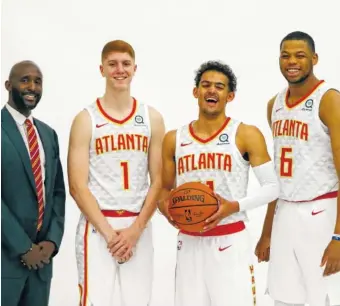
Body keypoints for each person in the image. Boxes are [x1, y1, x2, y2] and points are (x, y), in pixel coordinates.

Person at [157, 60, 279, 306]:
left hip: (230, 239)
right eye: (206, 85)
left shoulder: (245, 134)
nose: (212, 90)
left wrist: (233, 206)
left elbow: (273, 188)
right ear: (196, 92)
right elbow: (163, 189)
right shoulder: (174, 138)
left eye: (220, 87)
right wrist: (168, 210)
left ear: (230, 95)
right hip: (189, 240)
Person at [68, 40, 165, 306]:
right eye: (112, 64)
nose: (119, 70)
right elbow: (77, 186)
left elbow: (158, 181)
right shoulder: (86, 119)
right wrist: (111, 235)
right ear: (102, 69)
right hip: (98, 229)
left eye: (125, 64)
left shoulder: (151, 117)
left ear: (135, 68)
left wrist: (135, 230)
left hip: (138, 227)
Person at [255, 31, 340, 306]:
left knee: (322, 297)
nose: (292, 61)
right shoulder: (274, 105)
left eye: (300, 55)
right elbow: (279, 174)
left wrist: (339, 235)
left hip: (321, 210)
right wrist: (267, 231)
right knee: (283, 297)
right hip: (285, 212)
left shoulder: (329, 100)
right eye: (285, 55)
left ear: (314, 58)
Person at [1, 61, 66, 306]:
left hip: (42, 263)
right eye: (25, 80)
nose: (32, 87)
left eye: (38, 81)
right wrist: (23, 248)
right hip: (5, 260)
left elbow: (58, 192)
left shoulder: (47, 134)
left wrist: (51, 242)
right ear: (8, 85)